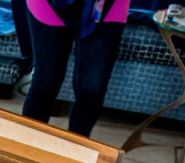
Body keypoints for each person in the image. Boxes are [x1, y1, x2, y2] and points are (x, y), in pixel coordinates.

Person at [21, 0, 130, 137]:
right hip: (48, 3)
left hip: (106, 5)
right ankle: (27, 151)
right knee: (46, 82)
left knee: (92, 89)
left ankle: (75, 150)